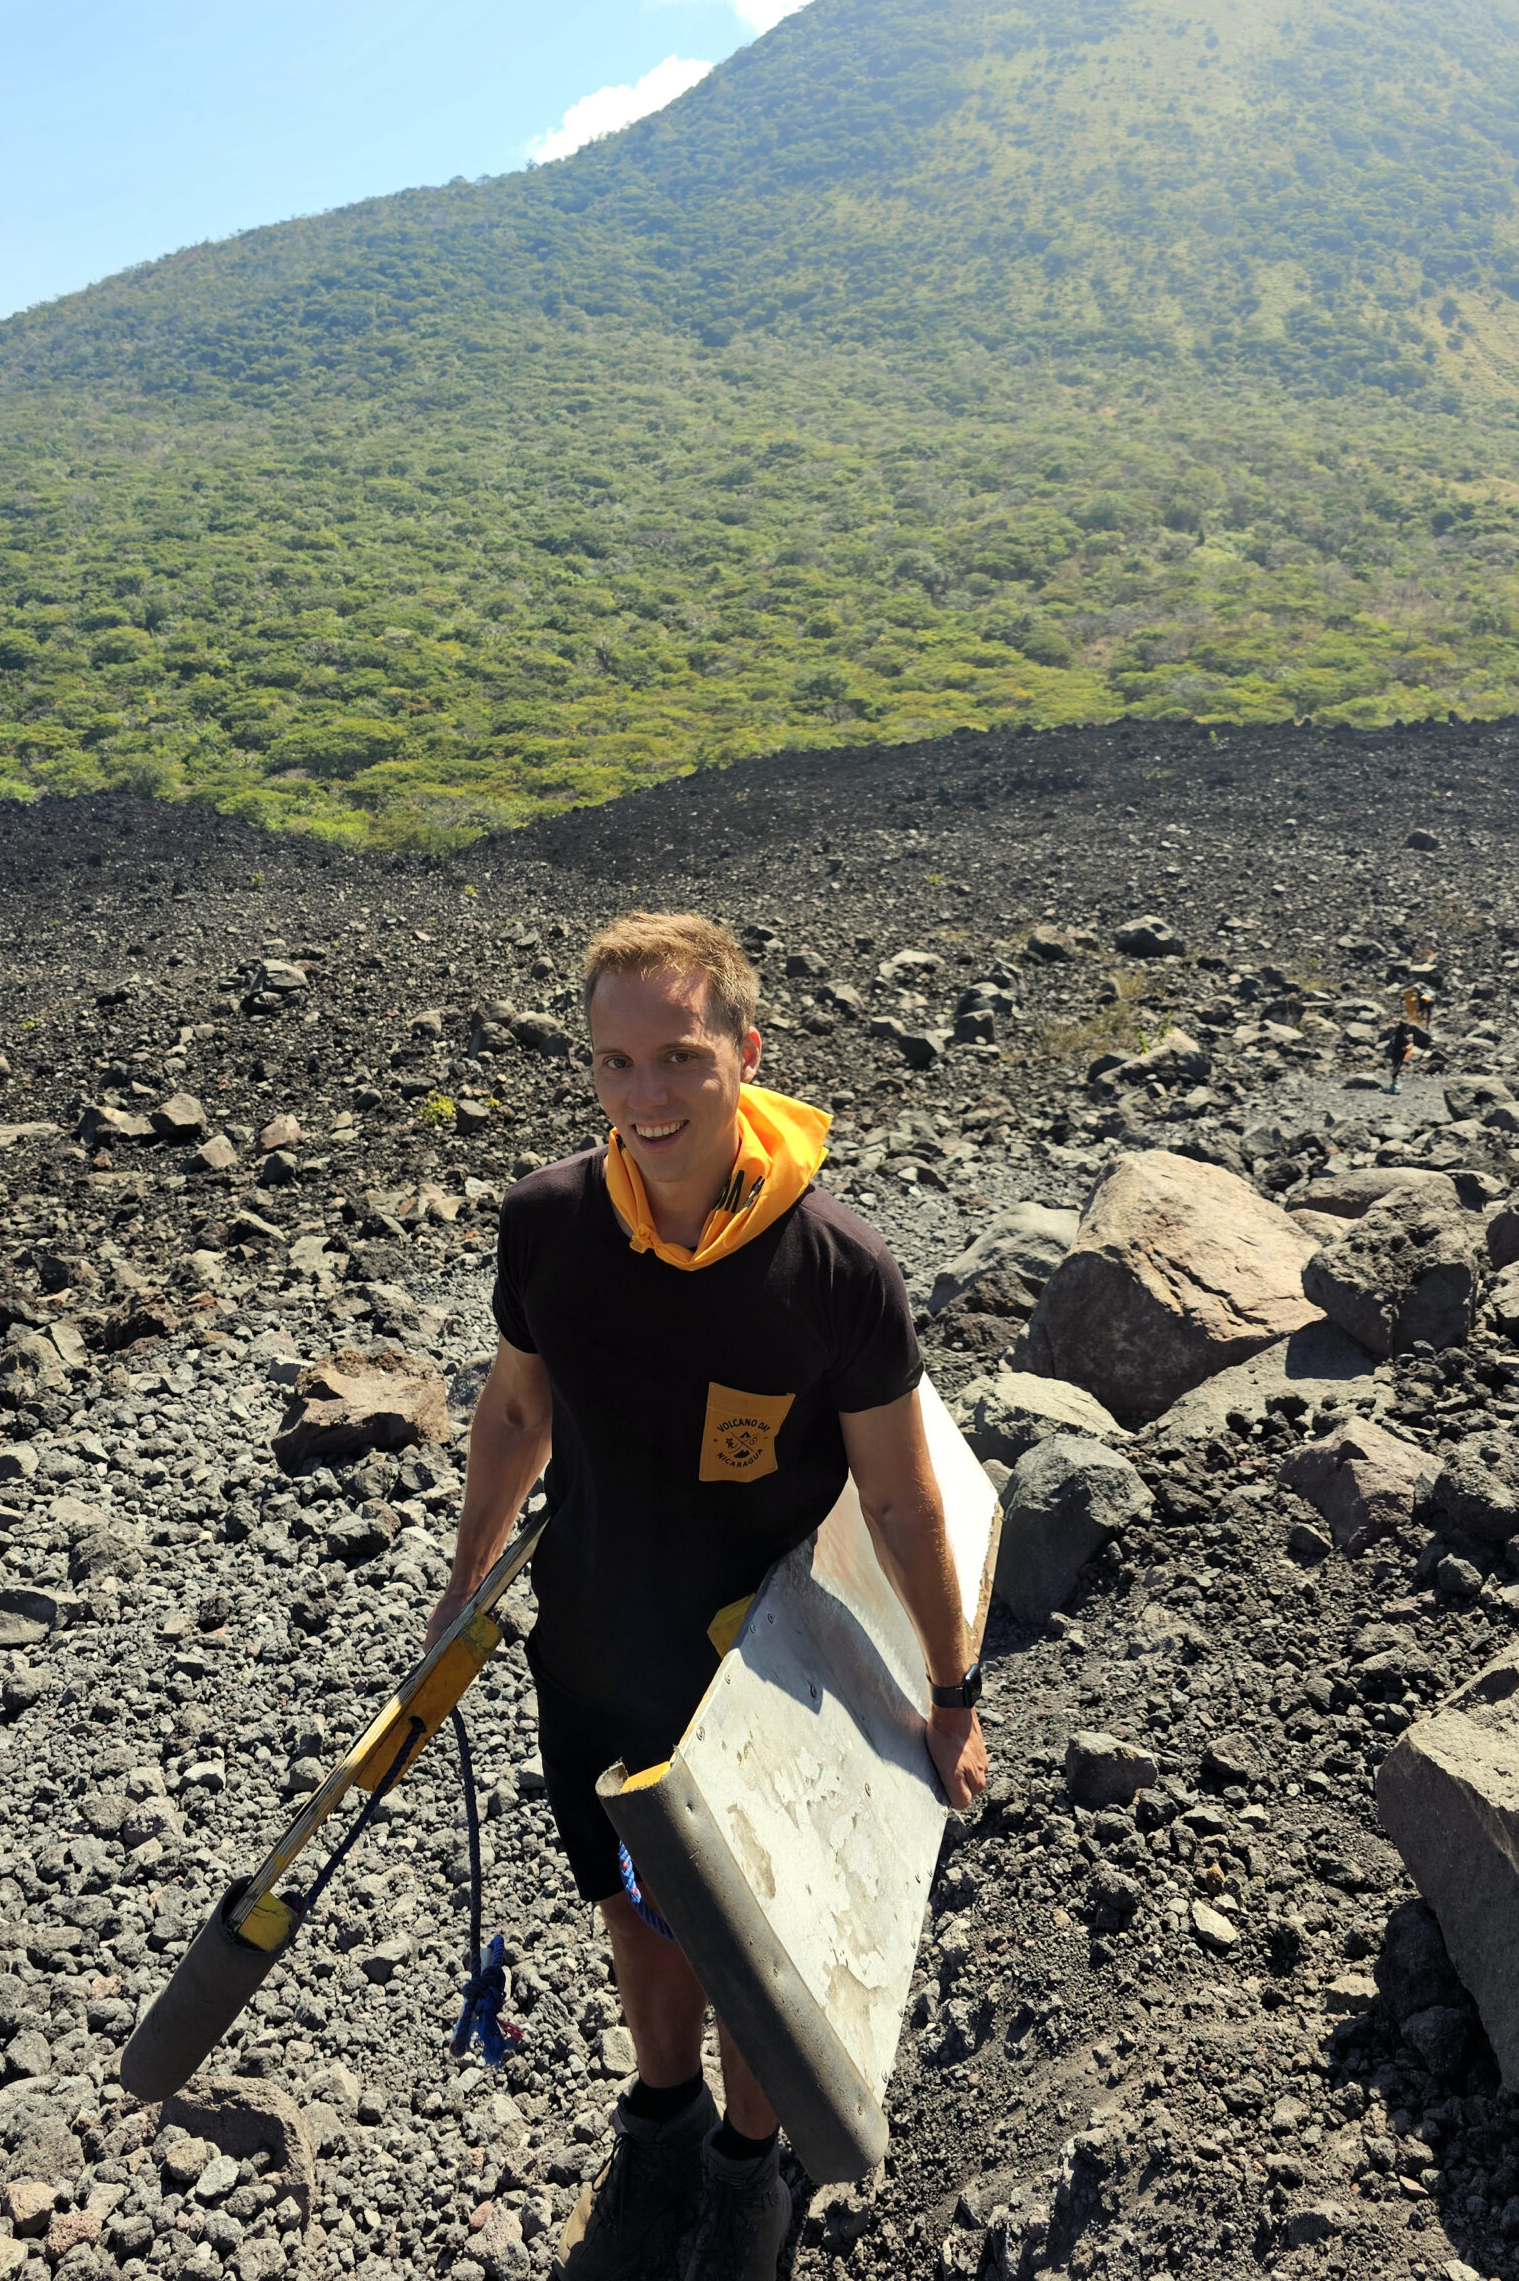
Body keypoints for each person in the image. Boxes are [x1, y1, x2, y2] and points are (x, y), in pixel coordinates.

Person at [425, 911, 988, 2281]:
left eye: (678, 1057)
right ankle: (664, 2124)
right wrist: (458, 1593)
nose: (645, 1099)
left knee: (751, 1940)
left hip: (761, 1681)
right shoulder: (551, 1224)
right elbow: (512, 1415)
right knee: (634, 1908)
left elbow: (907, 1500)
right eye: (616, 1065)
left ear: (746, 1051)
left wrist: (950, 1688)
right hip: (601, 1645)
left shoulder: (834, 1267)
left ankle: (750, 2165)